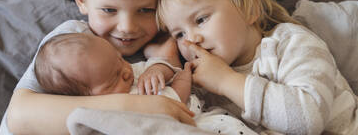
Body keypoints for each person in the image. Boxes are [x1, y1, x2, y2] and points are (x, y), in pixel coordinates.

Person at [0, 0, 193, 135]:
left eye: (146, 10)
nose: (127, 27)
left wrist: (166, 62)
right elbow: (20, 115)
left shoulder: (170, 36)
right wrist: (138, 107)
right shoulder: (72, 42)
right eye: (109, 10)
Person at [156, 0, 358, 134]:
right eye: (179, 34)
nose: (191, 39)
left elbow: (308, 118)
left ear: (250, 10)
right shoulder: (202, 80)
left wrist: (226, 81)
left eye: (201, 20)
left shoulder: (291, 43)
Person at [34, 22, 256, 135]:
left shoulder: (133, 75)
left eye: (120, 60)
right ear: (85, 97)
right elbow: (177, 95)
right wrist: (185, 77)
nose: (126, 71)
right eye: (114, 78)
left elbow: (163, 70)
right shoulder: (110, 113)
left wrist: (160, 69)